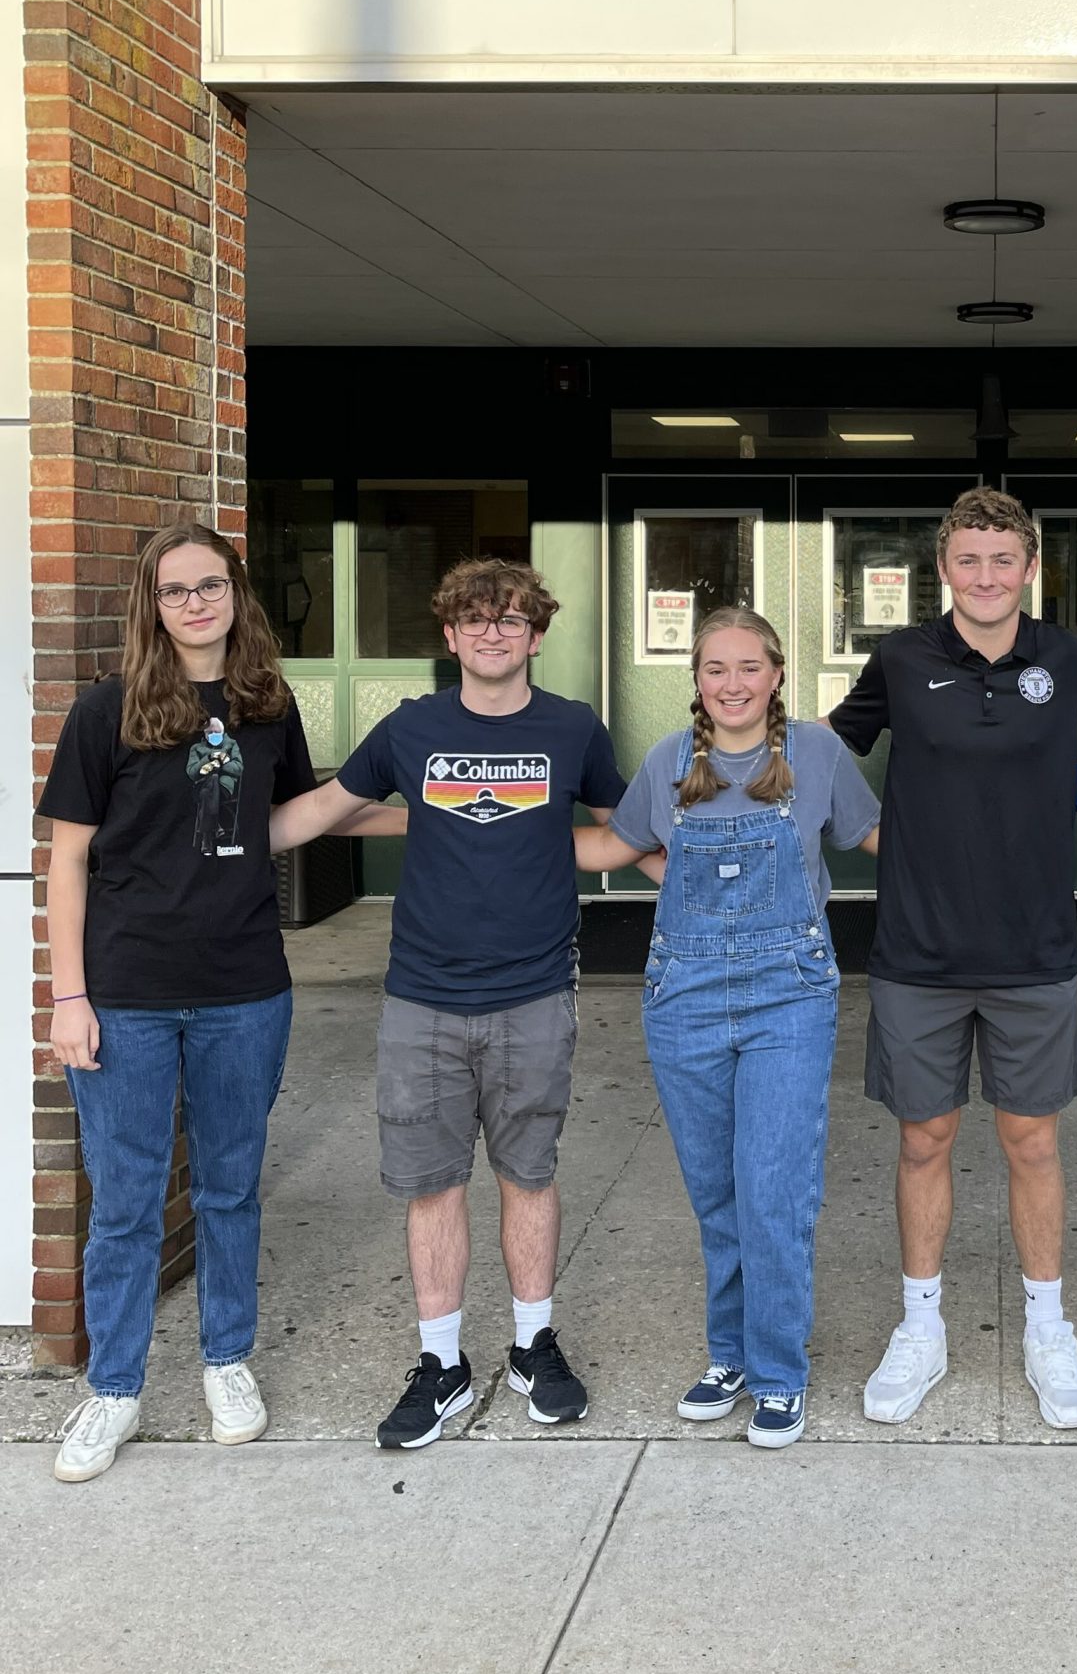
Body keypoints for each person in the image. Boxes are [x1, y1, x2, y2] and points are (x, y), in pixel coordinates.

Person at [38, 521, 400, 1483]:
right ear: (150, 608)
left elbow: (278, 821)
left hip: (245, 989)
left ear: (237, 595)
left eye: (210, 587)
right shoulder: (104, 711)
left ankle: (225, 1362)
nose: (195, 604)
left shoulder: (265, 705)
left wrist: (400, 798)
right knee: (122, 1205)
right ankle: (112, 1389)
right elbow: (67, 858)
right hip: (126, 994)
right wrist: (67, 996)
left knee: (230, 1188)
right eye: (175, 591)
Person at [273, 558, 623, 1449]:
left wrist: (719, 871)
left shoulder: (574, 729)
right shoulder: (410, 729)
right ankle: (443, 1365)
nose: (493, 632)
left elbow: (621, 837)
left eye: (511, 620)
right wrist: (211, 846)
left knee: (529, 1174)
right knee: (432, 1184)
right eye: (475, 619)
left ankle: (532, 1344)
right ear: (451, 634)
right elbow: (324, 809)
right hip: (423, 998)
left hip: (534, 993)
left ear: (537, 635)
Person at [831, 486, 1077, 1430]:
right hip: (920, 949)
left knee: (1032, 1141)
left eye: (1004, 560)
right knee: (925, 1139)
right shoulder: (903, 658)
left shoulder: (1065, 657)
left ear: (1030, 566)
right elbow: (825, 758)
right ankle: (923, 1328)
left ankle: (1047, 1326)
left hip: (1035, 948)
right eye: (969, 560)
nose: (987, 576)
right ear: (944, 569)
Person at [573, 611, 880, 1448]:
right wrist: (491, 831)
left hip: (790, 996)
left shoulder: (817, 754)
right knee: (718, 1196)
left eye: (749, 667)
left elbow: (876, 835)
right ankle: (731, 1356)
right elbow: (617, 844)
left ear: (777, 673)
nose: (733, 684)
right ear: (698, 678)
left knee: (773, 1190)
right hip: (686, 997)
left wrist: (984, 831)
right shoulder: (669, 762)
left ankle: (780, 1371)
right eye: (715, 668)